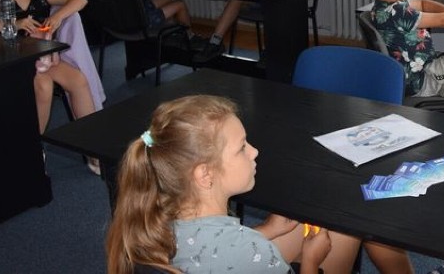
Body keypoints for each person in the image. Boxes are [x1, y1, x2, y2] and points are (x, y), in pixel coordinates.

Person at [106, 94, 414, 274]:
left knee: (338, 220)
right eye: (241, 147)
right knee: (347, 224)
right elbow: (240, 252)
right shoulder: (251, 251)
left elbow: (210, 250)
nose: (254, 151)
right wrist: (310, 262)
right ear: (204, 175)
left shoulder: (156, 219)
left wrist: (267, 231)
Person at [0, 0, 99, 140]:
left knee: (78, 80)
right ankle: (35, 147)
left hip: (42, 59)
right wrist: (14, 23)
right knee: (44, 86)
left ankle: (91, 147)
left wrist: (58, 17)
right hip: (15, 62)